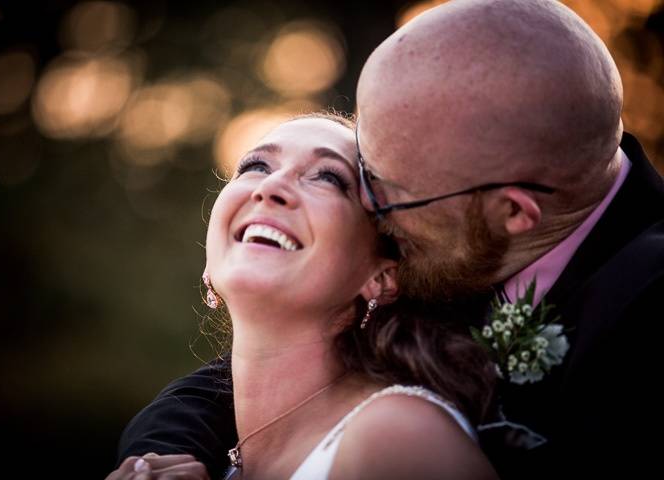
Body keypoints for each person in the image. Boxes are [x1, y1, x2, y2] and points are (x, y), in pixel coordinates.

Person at [117, 0, 664, 477]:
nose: (373, 209)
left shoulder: (643, 312)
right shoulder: (450, 247)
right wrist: (160, 454)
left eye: (374, 188)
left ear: (513, 213)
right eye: (256, 165)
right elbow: (269, 375)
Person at [109, 114, 499, 480]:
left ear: (381, 276)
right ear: (209, 264)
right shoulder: (211, 458)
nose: (270, 187)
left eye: (328, 177)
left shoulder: (399, 437)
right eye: (256, 167)